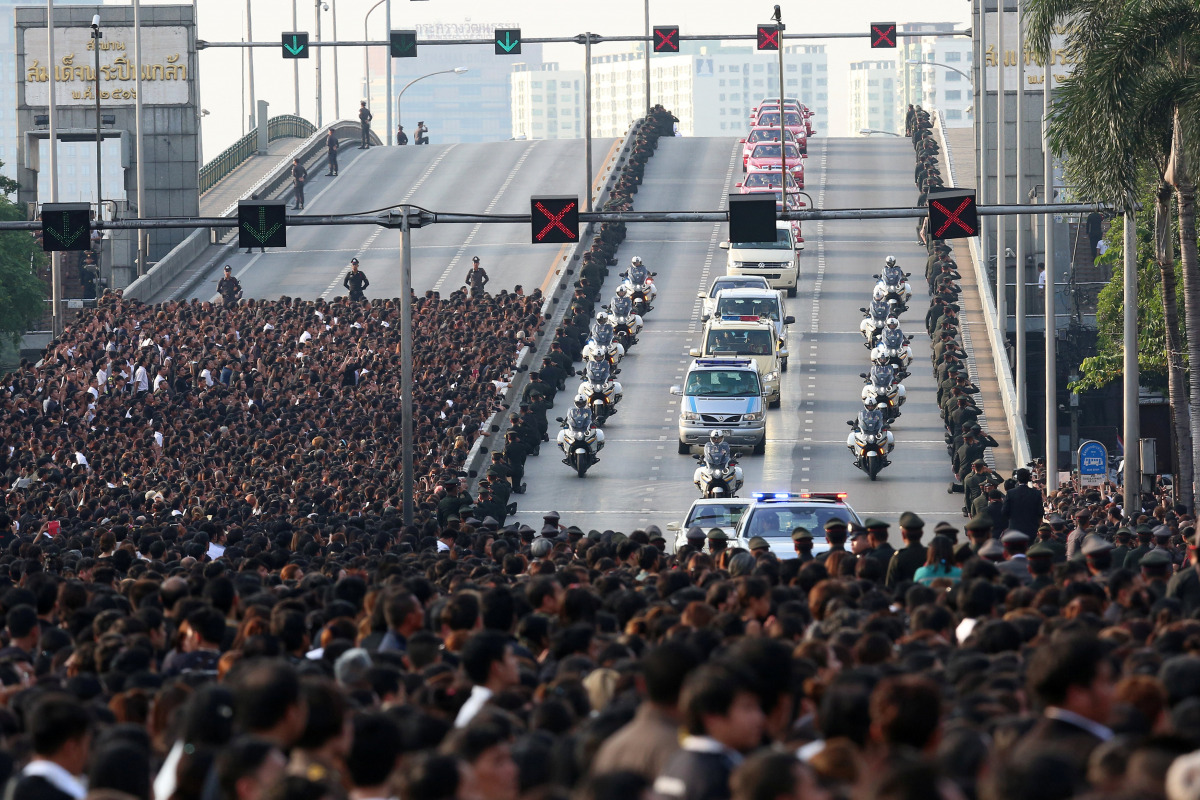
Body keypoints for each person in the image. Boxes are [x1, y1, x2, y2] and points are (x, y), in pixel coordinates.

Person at [653, 662, 765, 800]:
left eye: (758, 707)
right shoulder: (724, 777)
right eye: (747, 708)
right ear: (711, 716)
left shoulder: (675, 762)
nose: (759, 717)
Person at [12, 694, 92, 800]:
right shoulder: (67, 794)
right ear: (71, 747)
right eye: (86, 745)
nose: (88, 755)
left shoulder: (12, 785)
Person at [455, 630, 520, 728]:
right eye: (510, 656)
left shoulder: (483, 704)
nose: (516, 661)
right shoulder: (483, 714)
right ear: (497, 666)